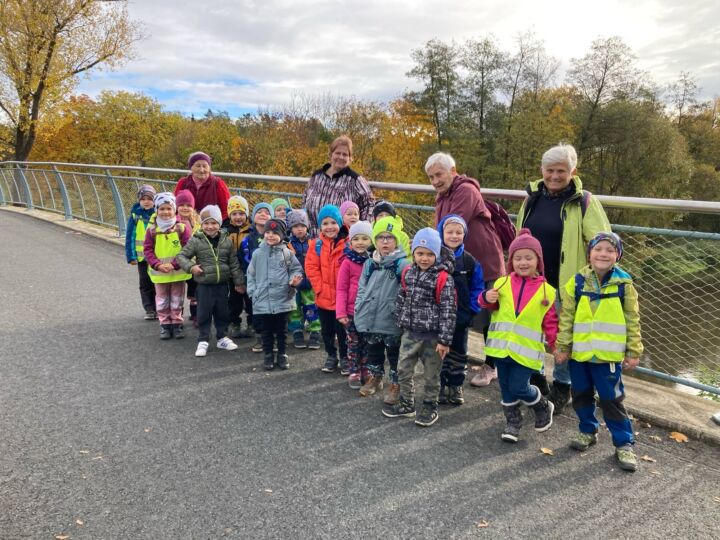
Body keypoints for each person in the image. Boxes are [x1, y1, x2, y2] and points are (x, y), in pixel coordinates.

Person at [516, 143, 611, 412]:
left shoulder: (584, 202)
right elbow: (519, 237)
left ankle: (561, 387)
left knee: (562, 337)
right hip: (531, 283)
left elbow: (602, 244)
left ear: (573, 171)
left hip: (566, 285)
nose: (554, 176)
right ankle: (537, 379)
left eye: (561, 171)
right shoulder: (532, 197)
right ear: (541, 171)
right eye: (550, 170)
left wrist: (594, 281)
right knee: (530, 332)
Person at [555, 232, 642, 472]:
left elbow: (632, 321)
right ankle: (587, 430)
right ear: (590, 253)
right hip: (580, 354)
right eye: (598, 249)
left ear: (618, 255)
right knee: (581, 394)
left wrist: (634, 351)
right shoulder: (577, 282)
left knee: (611, 400)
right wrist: (563, 347)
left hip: (608, 357)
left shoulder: (625, 285)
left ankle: (624, 443)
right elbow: (567, 318)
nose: (603, 254)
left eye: (609, 250)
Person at [427, 152, 505, 388]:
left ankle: (491, 366)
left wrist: (428, 246)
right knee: (462, 312)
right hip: (461, 266)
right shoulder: (443, 195)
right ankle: (454, 362)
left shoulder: (466, 191)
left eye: (439, 175)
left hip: (484, 263)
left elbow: (450, 226)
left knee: (489, 317)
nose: (435, 181)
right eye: (430, 177)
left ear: (452, 171)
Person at [480, 229, 558, 443]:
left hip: (525, 351)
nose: (523, 262)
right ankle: (513, 422)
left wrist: (556, 345)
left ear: (538, 261)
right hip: (500, 347)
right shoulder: (501, 283)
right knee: (505, 387)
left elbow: (551, 322)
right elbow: (489, 305)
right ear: (511, 260)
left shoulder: (547, 292)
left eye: (528, 258)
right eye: (518, 258)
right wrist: (485, 297)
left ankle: (541, 405)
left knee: (518, 386)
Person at [382, 228, 456, 427]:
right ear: (413, 253)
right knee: (403, 369)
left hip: (432, 338)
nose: (424, 258)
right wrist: (399, 323)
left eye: (430, 254)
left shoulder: (443, 278)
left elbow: (448, 311)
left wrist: (444, 341)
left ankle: (430, 405)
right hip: (410, 334)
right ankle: (407, 403)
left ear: (437, 254)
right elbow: (401, 299)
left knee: (431, 375)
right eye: (420, 253)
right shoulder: (408, 272)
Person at [354, 215, 411, 403]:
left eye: (390, 237)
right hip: (371, 317)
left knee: (394, 354)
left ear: (397, 240)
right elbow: (362, 288)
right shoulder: (370, 264)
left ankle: (396, 383)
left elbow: (407, 291)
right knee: (374, 351)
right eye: (380, 237)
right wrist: (360, 307)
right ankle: (376, 377)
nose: (385, 241)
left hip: (391, 318)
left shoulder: (402, 265)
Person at [177, 205, 245, 357]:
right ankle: (203, 339)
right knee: (204, 313)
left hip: (222, 284)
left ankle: (222, 337)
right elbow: (181, 256)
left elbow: (233, 263)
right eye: (206, 223)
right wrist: (192, 267)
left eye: (213, 223)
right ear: (201, 224)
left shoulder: (226, 241)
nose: (210, 226)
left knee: (223, 312)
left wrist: (239, 282)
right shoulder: (196, 240)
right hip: (204, 284)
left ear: (219, 224)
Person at [437, 215, 485, 406]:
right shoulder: (435, 257)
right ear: (442, 233)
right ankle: (440, 385)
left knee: (459, 352)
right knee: (440, 352)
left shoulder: (469, 261)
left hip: (461, 316)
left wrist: (472, 309)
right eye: (450, 232)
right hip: (439, 317)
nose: (454, 236)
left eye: (459, 232)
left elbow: (477, 287)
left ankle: (456, 385)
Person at [247, 218, 304, 370]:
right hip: (262, 299)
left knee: (281, 330)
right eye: (268, 232)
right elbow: (251, 274)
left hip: (282, 299)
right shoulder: (258, 254)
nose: (270, 236)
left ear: (282, 235)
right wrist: (253, 292)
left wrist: (293, 281)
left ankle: (282, 353)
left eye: (275, 233)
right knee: (266, 330)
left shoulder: (287, 254)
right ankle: (268, 354)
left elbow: (296, 270)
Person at [305, 204, 349, 373]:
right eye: (325, 223)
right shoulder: (316, 245)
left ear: (339, 223)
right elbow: (311, 267)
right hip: (323, 296)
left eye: (333, 222)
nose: (329, 227)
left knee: (343, 331)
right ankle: (331, 355)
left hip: (341, 298)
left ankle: (345, 357)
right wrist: (319, 288)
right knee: (327, 330)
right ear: (320, 226)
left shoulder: (347, 244)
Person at [142, 192, 192, 340]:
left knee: (177, 298)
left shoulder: (182, 228)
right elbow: (148, 250)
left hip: (177, 272)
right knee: (162, 299)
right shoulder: (151, 230)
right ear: (156, 210)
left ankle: (177, 323)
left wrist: (174, 264)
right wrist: (157, 265)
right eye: (162, 209)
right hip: (160, 273)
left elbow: (187, 248)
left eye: (169, 208)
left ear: (174, 209)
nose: (165, 212)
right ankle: (164, 324)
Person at [301, 135, 374, 232]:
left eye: (345, 154)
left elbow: (369, 205)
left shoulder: (355, 180)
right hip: (313, 237)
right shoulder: (316, 176)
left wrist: (360, 230)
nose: (341, 157)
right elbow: (305, 200)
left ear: (350, 158)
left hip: (341, 240)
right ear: (331, 154)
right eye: (337, 153)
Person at [336, 221, 372, 384]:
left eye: (365, 238)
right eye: (356, 239)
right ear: (350, 241)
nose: (360, 242)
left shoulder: (373, 262)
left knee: (367, 342)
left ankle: (366, 368)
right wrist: (341, 312)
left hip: (368, 311)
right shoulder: (347, 262)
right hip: (351, 312)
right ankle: (354, 371)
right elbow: (341, 289)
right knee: (353, 342)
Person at [240, 202, 274, 353]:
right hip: (255, 281)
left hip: (273, 281)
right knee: (257, 310)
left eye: (266, 212)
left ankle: (275, 337)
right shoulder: (247, 240)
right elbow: (243, 260)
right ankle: (260, 337)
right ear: (253, 217)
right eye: (259, 212)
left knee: (274, 309)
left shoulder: (276, 237)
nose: (262, 214)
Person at [286, 210, 322, 349]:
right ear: (291, 228)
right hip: (294, 283)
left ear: (307, 226)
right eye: (295, 226)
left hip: (310, 283)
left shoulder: (314, 243)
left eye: (302, 225)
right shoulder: (288, 244)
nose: (299, 229)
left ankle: (315, 331)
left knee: (311, 307)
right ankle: (297, 331)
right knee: (294, 309)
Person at [125, 184, 157, 320]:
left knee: (158, 283)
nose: (146, 201)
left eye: (149, 198)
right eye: (143, 199)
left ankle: (160, 307)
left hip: (157, 257)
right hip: (142, 257)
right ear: (139, 200)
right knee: (145, 283)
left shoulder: (158, 213)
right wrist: (131, 256)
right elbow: (130, 236)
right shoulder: (135, 215)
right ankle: (149, 309)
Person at [174, 151, 232, 221]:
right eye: (198, 166)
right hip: (187, 224)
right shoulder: (183, 183)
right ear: (191, 168)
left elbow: (227, 209)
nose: (202, 170)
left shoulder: (218, 184)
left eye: (205, 166)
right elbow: (175, 207)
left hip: (212, 225)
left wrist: (215, 223)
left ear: (209, 168)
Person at [224, 195, 252, 338]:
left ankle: (252, 323)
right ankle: (234, 323)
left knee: (250, 299)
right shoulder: (226, 231)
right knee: (234, 300)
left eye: (241, 213)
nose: (238, 217)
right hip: (232, 272)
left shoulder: (252, 230)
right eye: (234, 214)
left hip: (248, 270)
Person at [176, 189, 200, 325]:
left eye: (189, 205)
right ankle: (177, 317)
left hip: (193, 262)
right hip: (178, 262)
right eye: (182, 205)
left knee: (195, 290)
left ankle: (196, 315)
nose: (185, 208)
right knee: (177, 291)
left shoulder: (197, 223)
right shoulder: (173, 222)